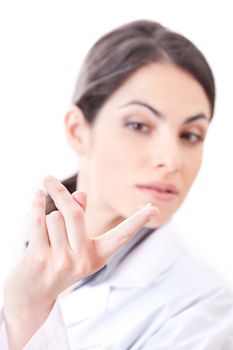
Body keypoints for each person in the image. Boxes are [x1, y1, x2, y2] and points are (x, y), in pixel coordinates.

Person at [1, 19, 233, 350]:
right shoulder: (20, 243)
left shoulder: (204, 313)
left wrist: (27, 312)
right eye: (139, 125)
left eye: (190, 135)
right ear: (78, 130)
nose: (172, 159)